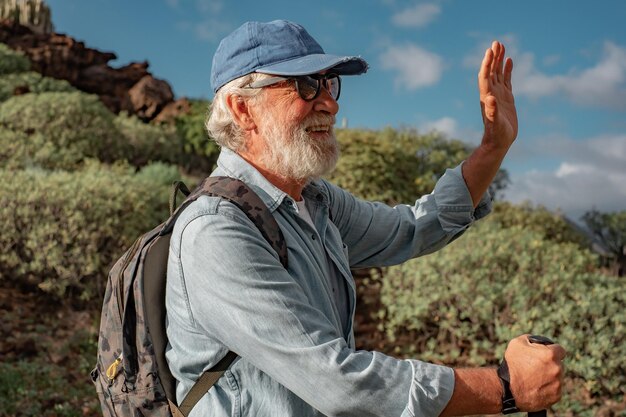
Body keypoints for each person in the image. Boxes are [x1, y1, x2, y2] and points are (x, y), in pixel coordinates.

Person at [165, 19, 565, 417]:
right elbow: (339, 383)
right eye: (306, 85)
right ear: (242, 108)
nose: (330, 103)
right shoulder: (216, 230)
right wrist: (507, 388)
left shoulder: (315, 201)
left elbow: (412, 229)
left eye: (329, 83)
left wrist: (492, 148)